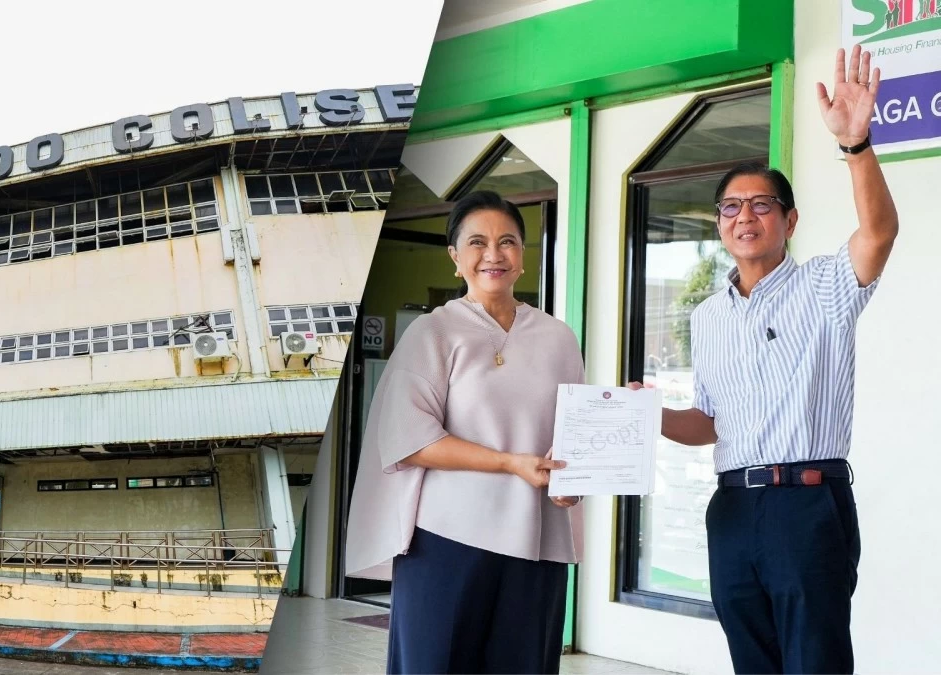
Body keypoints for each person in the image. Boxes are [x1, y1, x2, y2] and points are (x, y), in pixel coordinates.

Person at [632, 45, 898, 674]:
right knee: (751, 662)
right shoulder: (708, 315)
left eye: (760, 205)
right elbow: (710, 422)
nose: (743, 216)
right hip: (731, 508)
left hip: (807, 505)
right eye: (730, 207)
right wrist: (654, 416)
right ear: (718, 224)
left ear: (789, 220)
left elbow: (879, 233)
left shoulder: (827, 287)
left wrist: (856, 145)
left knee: (815, 663)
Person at [346, 190, 585, 674]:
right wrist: (510, 462)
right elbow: (410, 440)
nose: (493, 254)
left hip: (535, 543)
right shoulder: (433, 333)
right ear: (455, 258)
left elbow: (573, 434)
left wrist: (571, 479)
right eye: (477, 242)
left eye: (508, 242)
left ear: (523, 256)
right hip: (446, 541)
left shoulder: (558, 337)